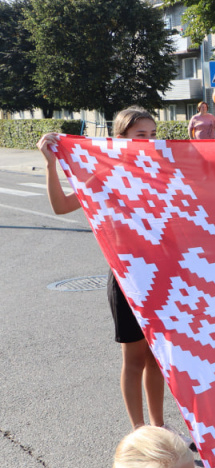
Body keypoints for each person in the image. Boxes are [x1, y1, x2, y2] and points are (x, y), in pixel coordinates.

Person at [37, 108, 166, 431]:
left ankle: (159, 428)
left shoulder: (160, 171)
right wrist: (51, 165)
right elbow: (61, 207)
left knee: (157, 359)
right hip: (126, 279)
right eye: (140, 135)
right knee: (134, 360)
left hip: (160, 277)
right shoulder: (104, 176)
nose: (148, 141)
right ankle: (139, 432)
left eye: (153, 134)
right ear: (120, 139)